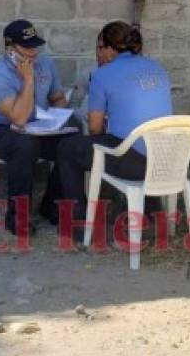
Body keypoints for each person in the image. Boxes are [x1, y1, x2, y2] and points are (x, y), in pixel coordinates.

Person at [56, 21, 173, 221]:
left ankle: (79, 222)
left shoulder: (103, 75)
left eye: (100, 48)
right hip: (169, 159)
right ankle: (152, 213)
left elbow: (94, 128)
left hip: (135, 163)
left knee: (67, 147)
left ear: (111, 49)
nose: (98, 54)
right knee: (132, 143)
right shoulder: (157, 68)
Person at [0, 19, 72, 234]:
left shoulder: (47, 64)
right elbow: (19, 119)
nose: (33, 52)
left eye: (35, 46)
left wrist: (57, 118)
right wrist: (28, 80)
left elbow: (58, 98)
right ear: (10, 49)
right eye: (26, 47)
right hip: (3, 130)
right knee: (25, 145)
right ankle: (17, 217)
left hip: (39, 126)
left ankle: (51, 206)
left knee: (72, 143)